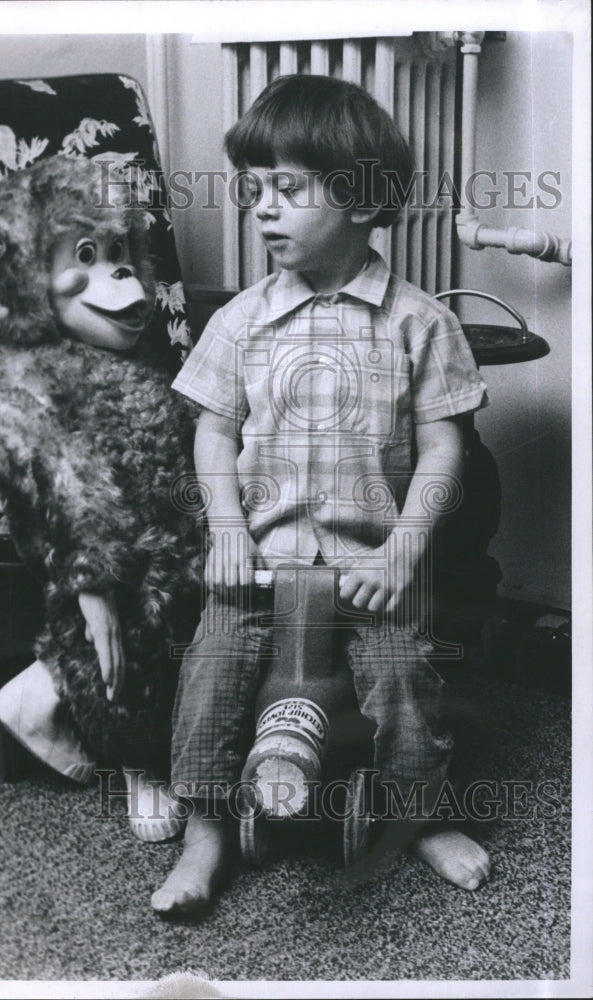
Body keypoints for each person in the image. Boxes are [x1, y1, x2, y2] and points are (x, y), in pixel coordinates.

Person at [151, 75, 492, 917]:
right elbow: (214, 431)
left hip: (370, 566)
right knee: (211, 673)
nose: (262, 210)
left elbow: (447, 443)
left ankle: (415, 815)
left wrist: (404, 548)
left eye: (288, 190)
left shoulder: (419, 323)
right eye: (253, 190)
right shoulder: (239, 320)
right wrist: (226, 527)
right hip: (260, 567)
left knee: (404, 679)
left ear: (362, 199)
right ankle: (206, 828)